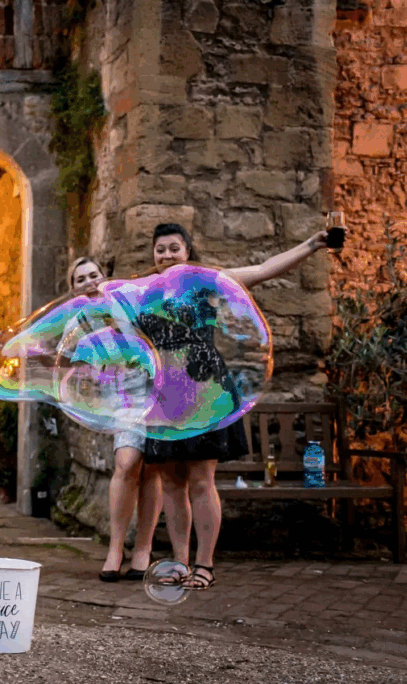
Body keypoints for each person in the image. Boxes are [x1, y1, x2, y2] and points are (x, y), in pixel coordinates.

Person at [141, 222, 328, 590]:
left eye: (174, 248)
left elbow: (261, 270)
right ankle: (179, 562)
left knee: (200, 479)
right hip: (165, 392)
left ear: (188, 251)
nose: (166, 255)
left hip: (205, 388)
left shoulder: (207, 282)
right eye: (160, 249)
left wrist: (312, 243)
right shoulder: (145, 291)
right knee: (171, 483)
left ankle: (205, 564)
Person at [66, 257, 162, 583]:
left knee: (151, 469)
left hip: (158, 392)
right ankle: (116, 548)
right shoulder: (76, 325)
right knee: (126, 464)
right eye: (81, 279)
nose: (89, 281)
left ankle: (144, 549)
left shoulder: (128, 304)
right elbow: (79, 373)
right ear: (74, 288)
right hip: (123, 400)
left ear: (104, 278)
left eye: (94, 275)